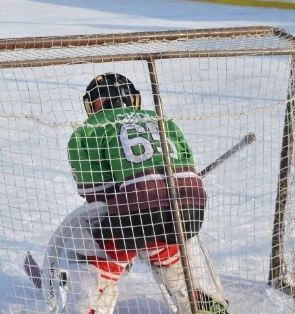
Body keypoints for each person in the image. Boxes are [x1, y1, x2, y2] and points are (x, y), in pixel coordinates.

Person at [39, 73, 228, 313]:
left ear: (93, 103)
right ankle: (198, 296)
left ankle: (90, 301)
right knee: (171, 235)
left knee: (94, 239)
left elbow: (96, 198)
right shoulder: (163, 120)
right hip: (191, 208)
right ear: (133, 99)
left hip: (137, 214)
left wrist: (124, 247)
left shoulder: (88, 130)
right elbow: (188, 168)